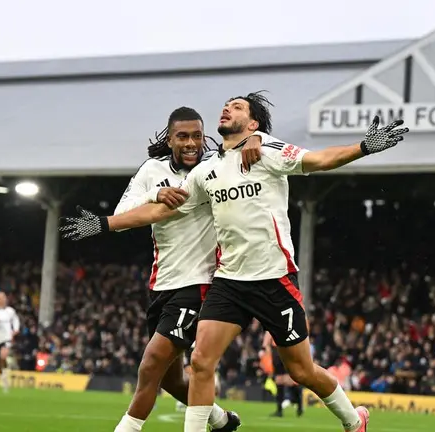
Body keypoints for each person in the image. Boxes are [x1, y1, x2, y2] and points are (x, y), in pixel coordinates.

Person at [60, 91, 408, 432]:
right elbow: (161, 209)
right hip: (228, 282)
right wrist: (104, 223)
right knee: (200, 361)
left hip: (275, 278)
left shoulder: (268, 151)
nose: (226, 108)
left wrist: (363, 147)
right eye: (226, 105)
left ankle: (353, 420)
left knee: (301, 371)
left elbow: (320, 160)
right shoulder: (205, 170)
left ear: (253, 122)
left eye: (237, 107)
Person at [72, 107, 261, 432]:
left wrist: (255, 137)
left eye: (197, 136)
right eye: (183, 136)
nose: (191, 143)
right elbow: (123, 212)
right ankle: (220, 420)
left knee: (150, 365)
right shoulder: (152, 169)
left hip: (199, 285)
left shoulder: (215, 166)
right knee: (171, 381)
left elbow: (253, 145)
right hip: (161, 287)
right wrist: (154, 193)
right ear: (169, 138)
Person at [263, 331, 303, 417]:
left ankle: (297, 405)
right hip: (280, 349)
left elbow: (266, 342)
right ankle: (281, 409)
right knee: (280, 380)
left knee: (287, 380)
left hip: (283, 349)